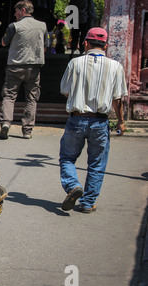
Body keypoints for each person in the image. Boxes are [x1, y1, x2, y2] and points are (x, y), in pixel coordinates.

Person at [59, 27, 127, 213]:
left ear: (86, 43)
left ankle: (73, 185)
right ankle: (88, 203)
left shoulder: (75, 63)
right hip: (100, 122)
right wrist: (121, 121)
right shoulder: (116, 66)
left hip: (76, 119)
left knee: (67, 158)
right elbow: (118, 99)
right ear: (105, 45)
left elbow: (65, 90)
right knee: (97, 164)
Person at [0, 0, 49, 140]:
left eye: (16, 11)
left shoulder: (14, 26)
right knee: (32, 99)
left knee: (9, 96)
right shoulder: (42, 26)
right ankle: (27, 130)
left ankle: (6, 123)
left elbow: (4, 42)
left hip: (15, 66)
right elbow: (45, 46)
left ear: (22, 10)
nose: (14, 14)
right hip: (34, 67)